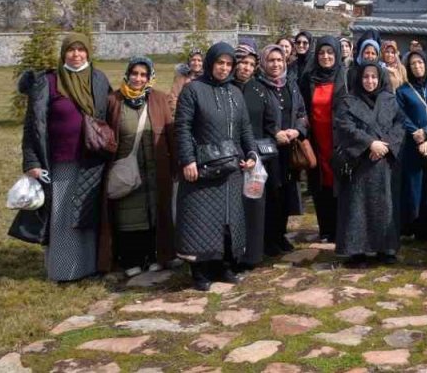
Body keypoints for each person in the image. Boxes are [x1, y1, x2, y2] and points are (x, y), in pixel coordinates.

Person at [16, 34, 111, 282]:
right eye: (71, 50)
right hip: (60, 162)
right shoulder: (49, 81)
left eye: (81, 50)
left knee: (86, 216)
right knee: (62, 216)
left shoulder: (98, 80)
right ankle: (64, 271)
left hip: (92, 160)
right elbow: (32, 125)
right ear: (64, 53)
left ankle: (90, 267)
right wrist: (32, 162)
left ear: (88, 53)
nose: (76, 55)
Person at [174, 42, 259, 291]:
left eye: (228, 64)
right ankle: (200, 270)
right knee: (200, 220)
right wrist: (187, 160)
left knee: (227, 220)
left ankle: (223, 265)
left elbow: (244, 127)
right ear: (211, 63)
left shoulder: (235, 93)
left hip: (231, 168)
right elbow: (182, 128)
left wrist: (252, 152)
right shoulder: (193, 90)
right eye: (219, 63)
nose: (224, 68)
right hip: (202, 168)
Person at [100, 57, 176, 277]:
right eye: (135, 73)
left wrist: (176, 164)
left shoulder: (159, 99)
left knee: (155, 212)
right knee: (128, 216)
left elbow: (171, 134)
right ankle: (131, 259)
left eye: (143, 75)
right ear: (127, 74)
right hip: (126, 171)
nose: (138, 79)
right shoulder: (114, 101)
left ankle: (155, 256)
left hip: (155, 169)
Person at [334, 62, 405, 265]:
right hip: (359, 162)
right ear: (359, 78)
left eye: (374, 77)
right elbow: (344, 126)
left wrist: (386, 146)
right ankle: (357, 250)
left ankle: (386, 248)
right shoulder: (348, 101)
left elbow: (400, 125)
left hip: (384, 163)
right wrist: (369, 144)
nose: (370, 81)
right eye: (366, 77)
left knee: (386, 206)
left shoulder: (390, 100)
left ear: (380, 78)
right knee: (358, 208)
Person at [258, 44, 308, 257]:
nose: (276, 64)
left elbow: (302, 113)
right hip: (268, 150)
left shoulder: (291, 85)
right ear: (264, 63)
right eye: (271, 60)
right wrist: (274, 133)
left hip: (289, 149)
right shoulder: (257, 87)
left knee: (286, 192)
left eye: (279, 60)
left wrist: (297, 131)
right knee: (271, 194)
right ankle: (268, 239)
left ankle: (280, 235)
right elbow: (254, 119)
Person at [233, 45, 276, 269]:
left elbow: (271, 122)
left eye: (251, 64)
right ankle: (232, 254)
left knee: (254, 207)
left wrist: (261, 150)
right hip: (231, 157)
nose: (246, 68)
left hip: (255, 158)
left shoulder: (260, 89)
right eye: (243, 63)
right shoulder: (226, 88)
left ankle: (252, 255)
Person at [299, 37, 345, 243]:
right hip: (316, 140)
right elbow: (301, 108)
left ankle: (341, 227)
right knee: (320, 184)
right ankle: (326, 228)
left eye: (330, 53)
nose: (326, 57)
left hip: (339, 140)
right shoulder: (308, 78)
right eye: (321, 53)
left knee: (340, 183)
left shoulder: (345, 77)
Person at [396, 50, 427, 239]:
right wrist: (418, 135)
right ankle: (416, 226)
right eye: (413, 64)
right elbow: (400, 115)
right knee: (416, 185)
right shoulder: (403, 90)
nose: (417, 67)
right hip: (413, 142)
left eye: (420, 63)